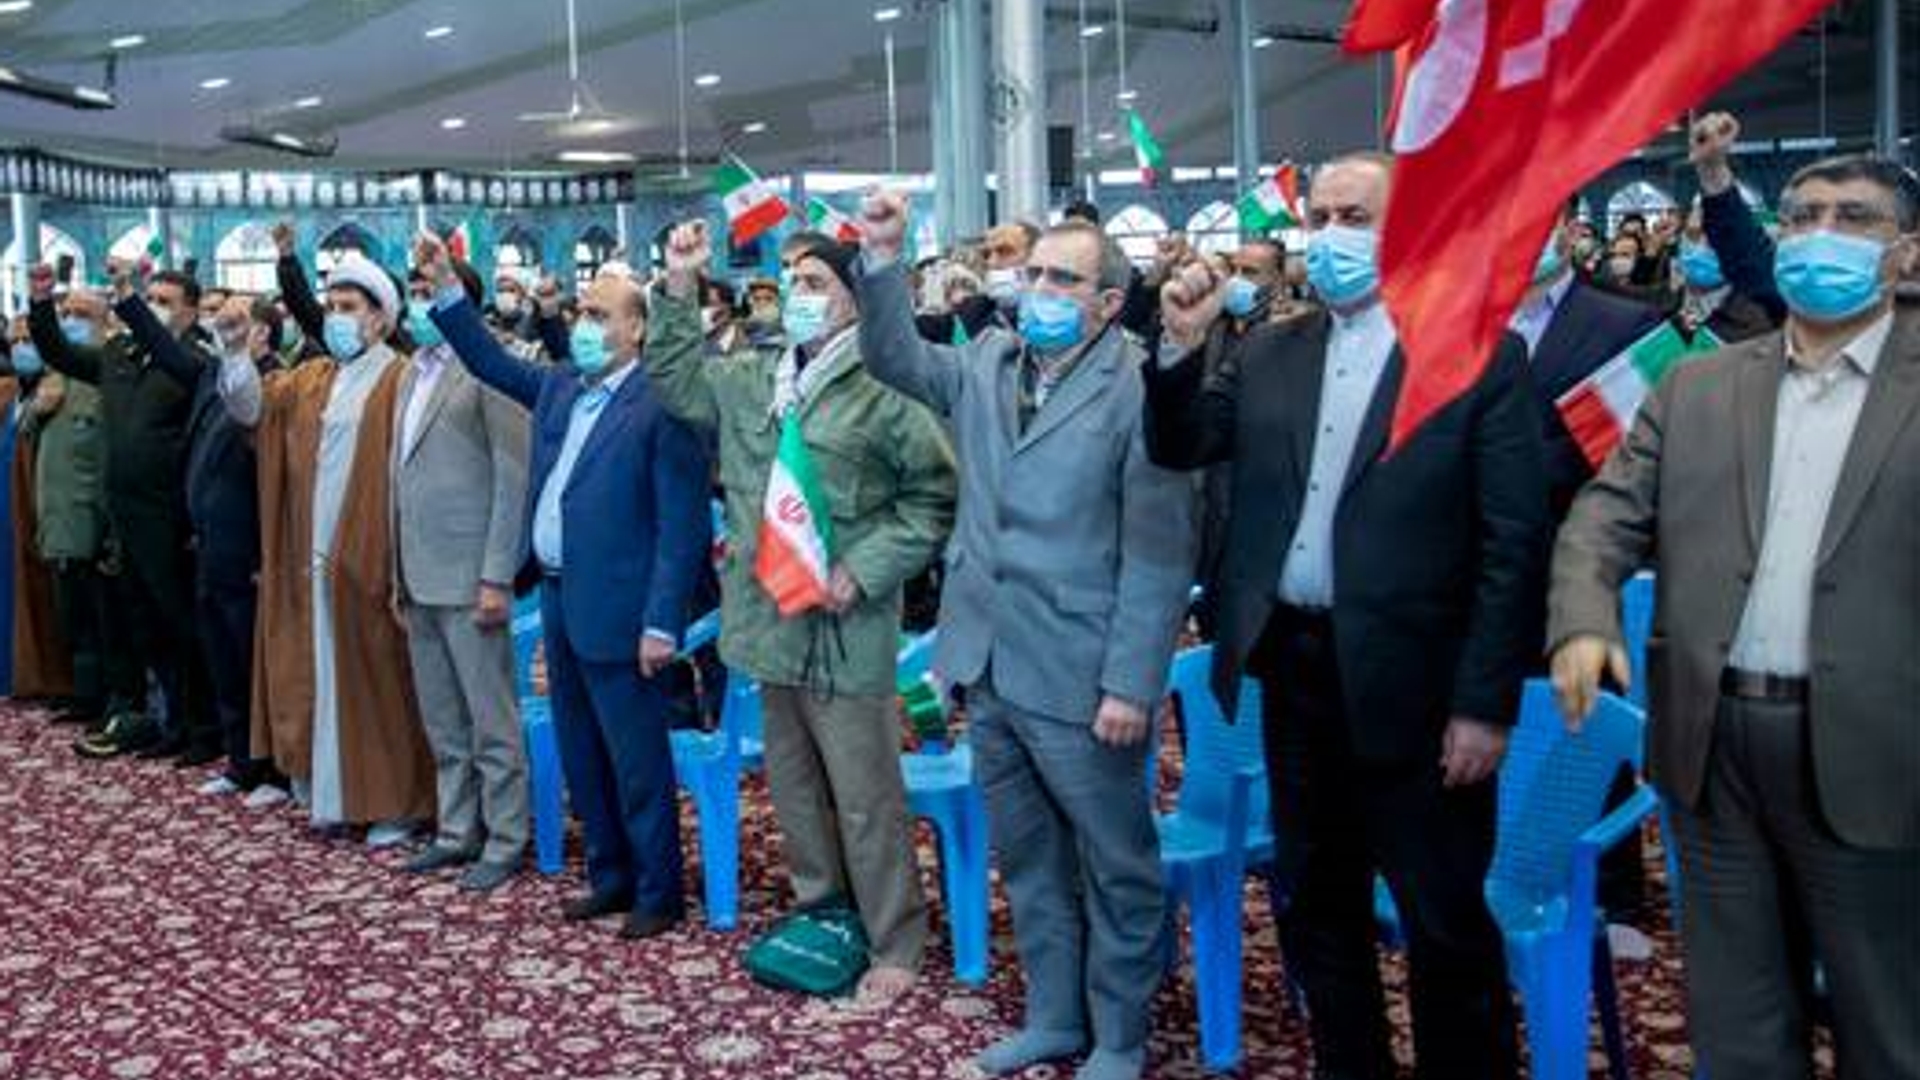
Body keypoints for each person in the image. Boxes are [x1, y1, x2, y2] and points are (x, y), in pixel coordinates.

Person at [1144, 151, 1550, 1080]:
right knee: (1316, 906)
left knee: (1442, 920)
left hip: (1423, 686)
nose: (1329, 236)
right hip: (1296, 668)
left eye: (1354, 217)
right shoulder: (1270, 351)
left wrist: (1484, 703)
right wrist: (1180, 344)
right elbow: (1183, 443)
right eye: (1318, 217)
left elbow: (1514, 543)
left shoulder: (1476, 355)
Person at [1549, 154, 1919, 1080]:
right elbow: (1604, 516)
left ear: (1907, 253)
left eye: (1854, 218)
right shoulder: (1699, 385)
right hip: (1711, 745)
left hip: (1880, 750)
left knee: (1888, 1021)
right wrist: (1584, 616)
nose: (1821, 234)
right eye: (1803, 215)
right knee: (1737, 1020)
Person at [855, 194, 1195, 1080]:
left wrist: (1132, 683)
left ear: (1108, 302)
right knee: (1030, 857)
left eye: (1063, 280)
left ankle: (1120, 1035)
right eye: (1034, 272)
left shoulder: (1141, 386)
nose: (1038, 289)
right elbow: (893, 356)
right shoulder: (991, 359)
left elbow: (1161, 552)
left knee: (1116, 864)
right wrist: (883, 258)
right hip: (990, 660)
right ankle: (1055, 1016)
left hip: (1086, 672)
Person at [651, 221, 957, 1004]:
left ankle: (895, 939)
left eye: (816, 282)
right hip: (768, 622)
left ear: (856, 300)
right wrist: (680, 284)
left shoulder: (887, 386)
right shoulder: (757, 375)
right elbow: (676, 382)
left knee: (865, 796)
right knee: (793, 792)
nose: (797, 294)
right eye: (791, 280)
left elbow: (933, 498)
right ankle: (826, 913)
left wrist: (864, 570)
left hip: (845, 627)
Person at [418, 230, 711, 940]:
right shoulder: (559, 387)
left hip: (625, 606)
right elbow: (488, 360)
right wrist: (446, 285)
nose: (583, 326)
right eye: (581, 313)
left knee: (635, 758)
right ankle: (610, 877)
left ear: (638, 330)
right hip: (557, 594)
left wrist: (663, 622)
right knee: (583, 750)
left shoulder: (662, 403)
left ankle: (658, 891)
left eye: (600, 315)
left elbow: (681, 527)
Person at [220, 250, 435, 846]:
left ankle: (395, 802)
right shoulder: (312, 377)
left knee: (380, 682)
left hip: (373, 559)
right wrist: (235, 352)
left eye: (350, 307)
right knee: (317, 676)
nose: (337, 317)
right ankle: (335, 796)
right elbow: (250, 409)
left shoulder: (401, 378)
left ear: (380, 319)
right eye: (332, 306)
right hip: (309, 555)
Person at [109, 264, 288, 803]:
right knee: (223, 658)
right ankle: (240, 761)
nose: (223, 325)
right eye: (219, 317)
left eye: (235, 319)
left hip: (250, 548)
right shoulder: (212, 373)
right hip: (210, 543)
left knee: (257, 662)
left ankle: (274, 769)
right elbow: (167, 351)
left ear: (263, 332)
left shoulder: (278, 381)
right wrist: (128, 300)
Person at [27, 263, 209, 762]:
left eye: (166, 301)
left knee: (180, 622)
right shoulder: (118, 354)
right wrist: (41, 304)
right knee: (144, 624)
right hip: (122, 514)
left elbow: (171, 355)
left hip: (169, 515)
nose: (156, 307)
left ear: (191, 312)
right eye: (152, 299)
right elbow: (60, 353)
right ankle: (169, 721)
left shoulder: (193, 359)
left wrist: (128, 299)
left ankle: (203, 725)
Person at [391, 261, 532, 892]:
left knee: (490, 721)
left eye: (430, 293)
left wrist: (497, 574)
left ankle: (505, 837)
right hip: (418, 571)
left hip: (472, 573)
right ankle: (456, 831)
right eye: (414, 294)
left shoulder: (487, 367)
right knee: (444, 721)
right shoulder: (410, 373)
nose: (417, 305)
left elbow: (512, 474)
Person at [1509, 199, 1666, 519]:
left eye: (1537, 222)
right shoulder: (1469, 319)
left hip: (1569, 523)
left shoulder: (1626, 321)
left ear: (1572, 232)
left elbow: (1629, 449)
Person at [9, 306, 119, 729]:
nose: (71, 319)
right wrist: (38, 407)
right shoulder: (54, 379)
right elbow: (24, 431)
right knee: (74, 619)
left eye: (80, 313)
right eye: (66, 311)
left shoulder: (104, 379)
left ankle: (108, 700)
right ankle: (84, 695)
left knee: (101, 621)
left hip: (94, 526)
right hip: (58, 523)